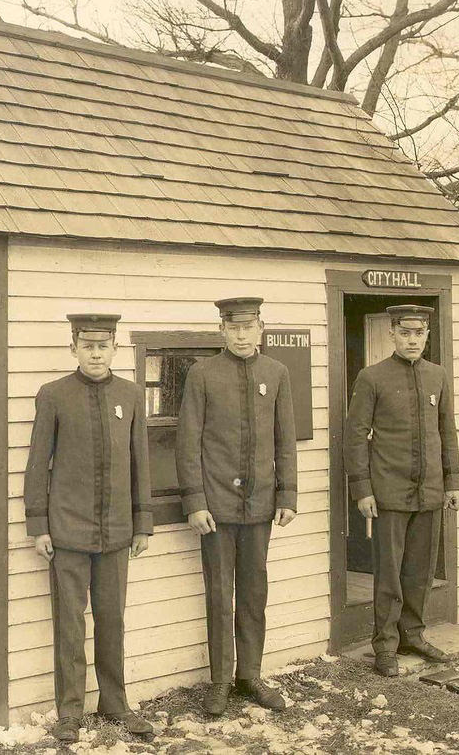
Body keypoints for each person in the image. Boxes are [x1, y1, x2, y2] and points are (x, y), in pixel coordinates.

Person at [23, 313, 154, 743]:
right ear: (74, 348)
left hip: (116, 533)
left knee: (112, 619)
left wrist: (142, 522)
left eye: (103, 345)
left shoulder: (130, 395)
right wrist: (39, 525)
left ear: (115, 347)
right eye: (87, 345)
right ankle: (70, 711)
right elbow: (37, 464)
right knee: (70, 623)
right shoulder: (54, 396)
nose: (95, 353)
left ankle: (114, 703)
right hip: (68, 534)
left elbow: (140, 465)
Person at [176, 297, 298, 716]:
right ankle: (220, 681)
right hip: (216, 508)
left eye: (249, 327)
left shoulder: (276, 373)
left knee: (253, 592)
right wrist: (195, 501)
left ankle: (251, 675)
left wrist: (287, 495)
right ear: (222, 331)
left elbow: (286, 441)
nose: (242, 335)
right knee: (218, 592)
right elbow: (187, 442)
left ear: (261, 328)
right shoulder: (202, 374)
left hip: (260, 505)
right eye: (234, 328)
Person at [343, 304, 459, 678]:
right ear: (392, 334)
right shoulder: (372, 377)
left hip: (429, 492)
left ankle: (412, 634)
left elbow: (448, 432)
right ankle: (385, 645)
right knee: (389, 572)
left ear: (427, 335)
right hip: (389, 493)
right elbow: (354, 436)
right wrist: (362, 489)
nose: (413, 340)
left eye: (419, 333)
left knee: (420, 571)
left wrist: (452, 481)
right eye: (405, 333)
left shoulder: (437, 376)